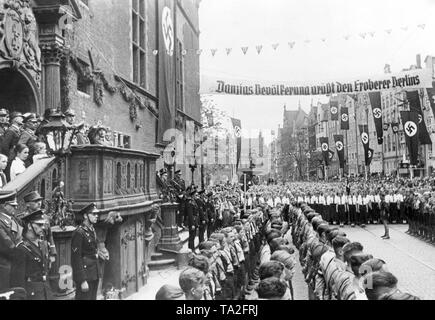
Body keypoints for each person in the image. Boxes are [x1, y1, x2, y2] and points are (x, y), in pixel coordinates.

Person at [9, 209, 53, 300]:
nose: (43, 228)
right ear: (29, 226)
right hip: (31, 294)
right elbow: (17, 282)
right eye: (39, 225)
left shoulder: (42, 244)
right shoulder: (21, 249)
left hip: (46, 292)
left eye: (43, 225)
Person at [71, 203, 102, 300]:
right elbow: (76, 259)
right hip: (86, 275)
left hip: (93, 273)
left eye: (97, 214)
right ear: (85, 215)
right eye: (93, 214)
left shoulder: (92, 230)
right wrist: (82, 280)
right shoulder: (79, 233)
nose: (96, 216)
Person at [0, 192, 22, 291]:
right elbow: (8, 246)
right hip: (5, 267)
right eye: (13, 206)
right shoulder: (1, 223)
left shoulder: (14, 220)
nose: (16, 208)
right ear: (4, 205)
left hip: (15, 265)